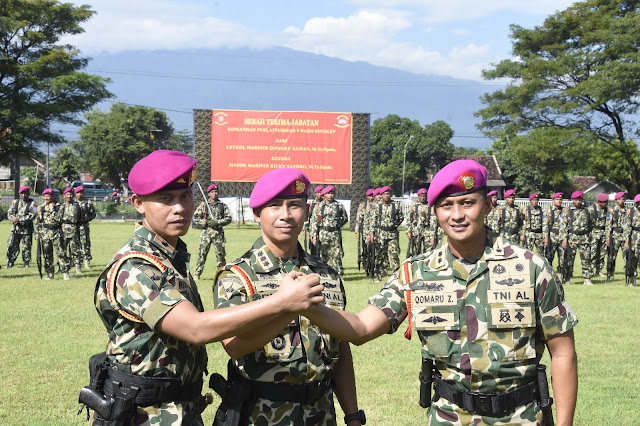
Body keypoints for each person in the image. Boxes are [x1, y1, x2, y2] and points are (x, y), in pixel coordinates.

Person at [302, 159, 578, 426]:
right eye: (446, 205)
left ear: (489, 204)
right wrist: (305, 306)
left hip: (521, 418)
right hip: (449, 417)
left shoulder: (531, 268)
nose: (457, 215)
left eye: (468, 202)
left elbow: (562, 352)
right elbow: (361, 328)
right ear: (435, 211)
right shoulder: (416, 273)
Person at [88, 151, 325, 426]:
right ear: (138, 203)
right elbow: (195, 328)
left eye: (185, 197)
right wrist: (281, 303)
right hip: (142, 415)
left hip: (178, 410)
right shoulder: (135, 268)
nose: (179, 208)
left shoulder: (169, 259)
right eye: (166, 199)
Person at [212, 168, 362, 426]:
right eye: (274, 206)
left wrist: (353, 415)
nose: (285, 215)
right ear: (257, 214)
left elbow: (341, 351)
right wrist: (288, 308)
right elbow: (233, 345)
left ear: (308, 210)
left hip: (321, 413)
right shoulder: (238, 275)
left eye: (294, 205)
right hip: (261, 414)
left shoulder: (326, 275)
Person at [192, 183, 232, 280]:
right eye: (212, 192)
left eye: (216, 191)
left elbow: (228, 218)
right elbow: (195, 218)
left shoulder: (222, 206)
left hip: (218, 235)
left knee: (220, 255)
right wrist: (206, 222)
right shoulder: (204, 205)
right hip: (206, 235)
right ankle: (197, 274)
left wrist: (218, 222)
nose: (214, 193)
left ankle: (221, 274)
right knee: (202, 254)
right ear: (208, 194)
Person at [310, 185, 349, 275]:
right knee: (323, 255)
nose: (331, 195)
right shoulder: (319, 206)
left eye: (332, 193)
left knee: (336, 255)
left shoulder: (339, 206)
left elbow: (345, 218)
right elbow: (314, 222)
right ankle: (325, 274)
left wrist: (337, 226)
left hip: (335, 234)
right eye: (328, 193)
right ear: (324, 195)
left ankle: (338, 275)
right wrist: (314, 235)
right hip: (323, 234)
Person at [369, 186, 403, 281]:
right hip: (381, 234)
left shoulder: (395, 205)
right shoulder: (376, 206)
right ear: (381, 195)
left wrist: (394, 225)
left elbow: (401, 217)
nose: (386, 196)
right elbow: (372, 220)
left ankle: (396, 276)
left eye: (388, 194)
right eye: (384, 194)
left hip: (392, 234)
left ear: (390, 194)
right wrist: (372, 233)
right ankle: (379, 274)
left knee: (394, 255)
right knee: (380, 255)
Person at [561, 191, 593, 285]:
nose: (578, 201)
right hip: (572, 238)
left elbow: (591, 224)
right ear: (572, 200)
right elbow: (563, 226)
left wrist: (589, 236)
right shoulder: (567, 211)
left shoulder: (587, 211)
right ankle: (567, 278)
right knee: (569, 259)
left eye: (580, 200)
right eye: (576, 200)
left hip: (584, 238)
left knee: (586, 259)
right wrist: (564, 239)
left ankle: (587, 278)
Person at [35, 188, 63, 280]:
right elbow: (38, 222)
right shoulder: (41, 208)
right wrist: (37, 233)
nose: (47, 198)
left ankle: (64, 272)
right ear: (43, 197)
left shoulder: (59, 206)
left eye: (49, 196)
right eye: (45, 196)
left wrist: (52, 210)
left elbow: (59, 219)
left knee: (61, 253)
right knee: (47, 255)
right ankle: (50, 273)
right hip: (45, 234)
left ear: (53, 197)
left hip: (57, 232)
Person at [6, 186, 36, 268]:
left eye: (26, 193)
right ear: (20, 194)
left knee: (26, 247)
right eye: (22, 193)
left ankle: (26, 262)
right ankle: (10, 261)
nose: (24, 195)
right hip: (15, 229)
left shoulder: (32, 203)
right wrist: (13, 218)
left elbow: (32, 215)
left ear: (29, 194)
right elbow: (9, 213)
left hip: (26, 230)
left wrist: (19, 219)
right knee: (12, 245)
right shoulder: (15, 202)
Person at [59, 187, 82, 279]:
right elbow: (58, 218)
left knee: (75, 250)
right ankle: (65, 271)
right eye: (67, 194)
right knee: (63, 251)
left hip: (74, 230)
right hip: (63, 231)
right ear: (64, 196)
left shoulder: (76, 206)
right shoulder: (61, 206)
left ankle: (78, 268)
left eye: (71, 194)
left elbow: (80, 217)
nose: (69, 196)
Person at [607, 191, 629, 280]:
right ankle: (610, 273)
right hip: (615, 236)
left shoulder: (628, 211)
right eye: (619, 199)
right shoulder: (612, 211)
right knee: (612, 256)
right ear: (616, 200)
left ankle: (628, 273)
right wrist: (608, 237)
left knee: (627, 256)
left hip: (624, 235)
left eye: (623, 199)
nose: (621, 201)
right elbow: (608, 225)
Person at [75, 185, 97, 269]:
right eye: (78, 193)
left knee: (85, 244)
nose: (80, 194)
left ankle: (86, 261)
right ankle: (76, 261)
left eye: (81, 192)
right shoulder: (73, 203)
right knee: (75, 244)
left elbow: (93, 214)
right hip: (74, 226)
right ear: (75, 194)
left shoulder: (87, 203)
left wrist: (87, 219)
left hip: (84, 226)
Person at [545, 192, 566, 274]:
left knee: (563, 257)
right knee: (549, 256)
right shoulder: (548, 212)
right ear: (553, 200)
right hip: (552, 237)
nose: (559, 201)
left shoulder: (565, 211)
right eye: (557, 199)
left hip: (562, 237)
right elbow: (545, 225)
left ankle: (562, 273)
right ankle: (549, 273)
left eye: (560, 199)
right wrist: (546, 237)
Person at [590, 193, 610, 277]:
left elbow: (608, 224)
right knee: (592, 253)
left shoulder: (607, 210)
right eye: (605, 202)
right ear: (600, 202)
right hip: (593, 233)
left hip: (603, 234)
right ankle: (590, 270)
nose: (607, 203)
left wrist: (607, 236)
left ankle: (599, 270)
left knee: (602, 253)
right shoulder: (591, 209)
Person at [624, 194, 640, 287]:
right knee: (633, 258)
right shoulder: (631, 212)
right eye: (638, 203)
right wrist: (627, 240)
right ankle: (632, 278)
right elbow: (627, 227)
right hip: (634, 237)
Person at [306, 185, 324, 256]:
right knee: (314, 249)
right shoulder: (312, 204)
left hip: (323, 230)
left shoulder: (326, 204)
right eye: (318, 193)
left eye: (321, 192)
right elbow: (308, 217)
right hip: (313, 230)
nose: (320, 194)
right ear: (315, 193)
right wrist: (306, 229)